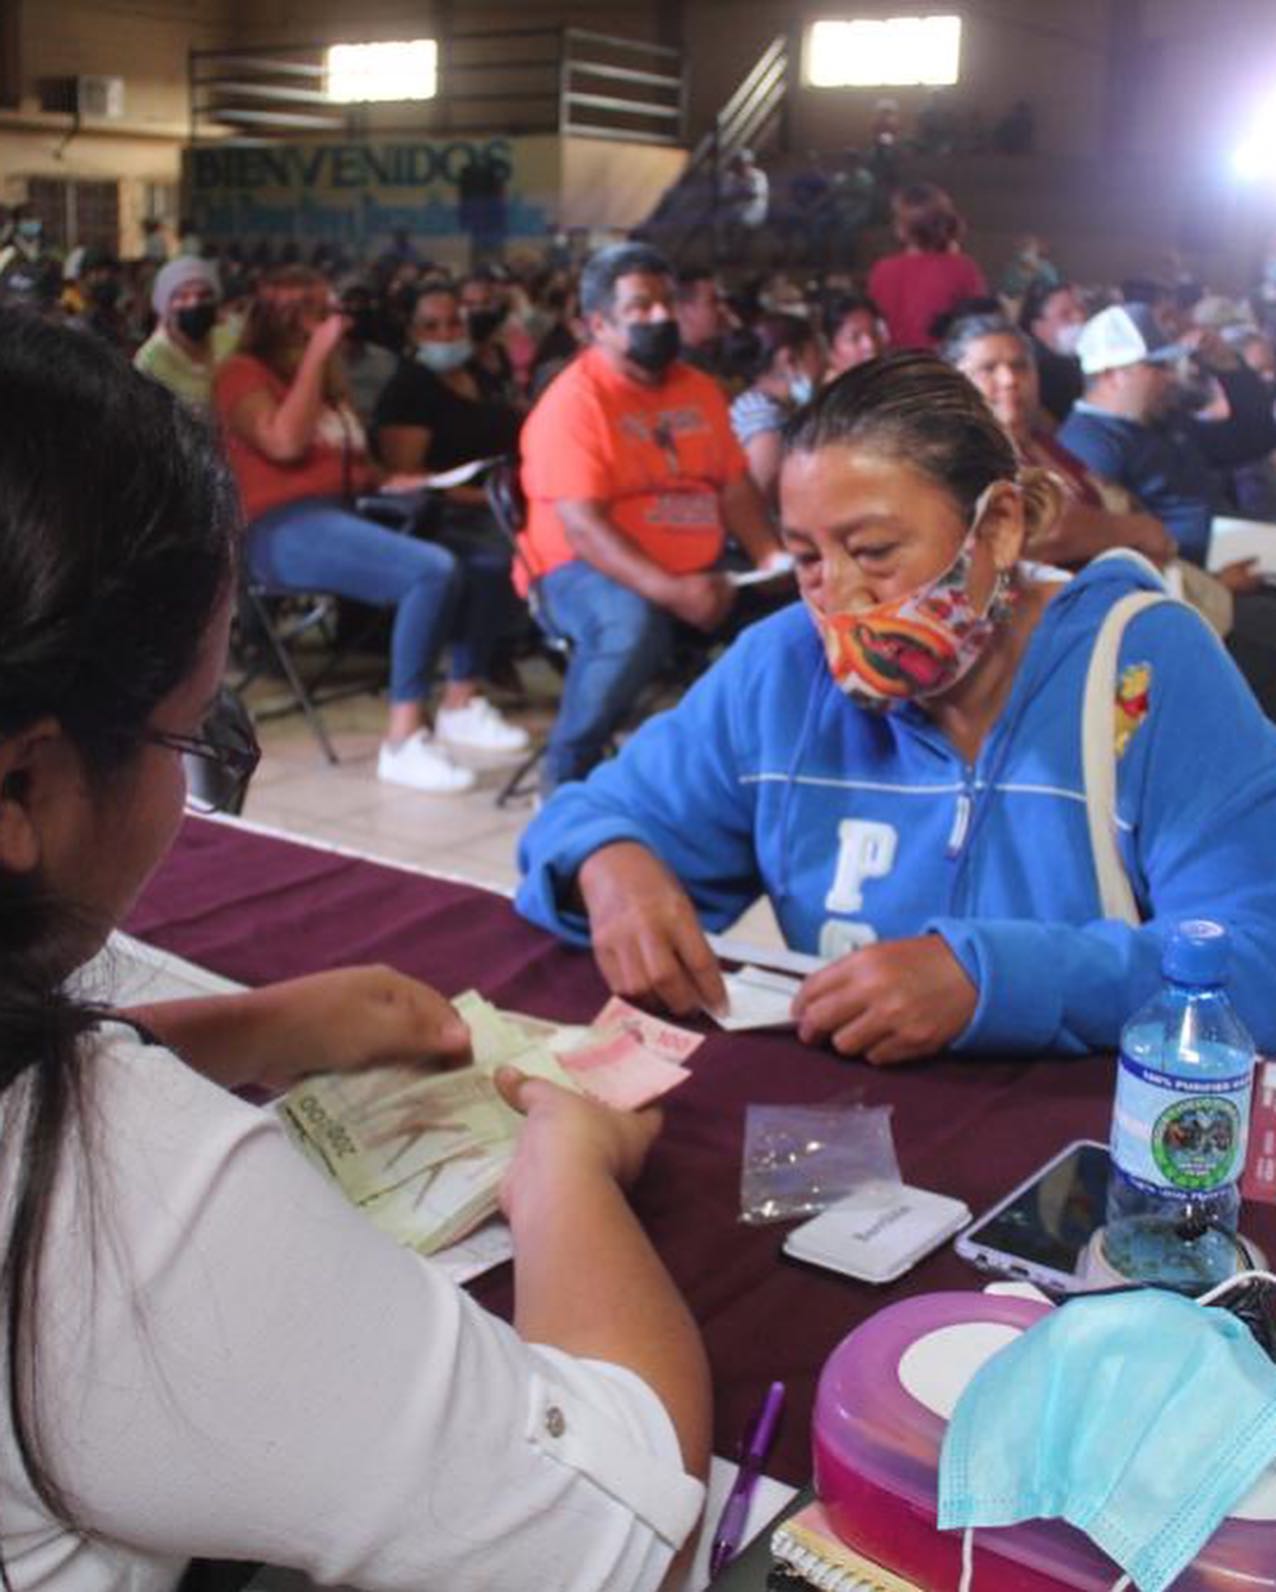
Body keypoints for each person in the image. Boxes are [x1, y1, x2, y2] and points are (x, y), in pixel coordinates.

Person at [0, 305, 709, 1591]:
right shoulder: (103, 1205)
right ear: (23, 787)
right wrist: (565, 1164)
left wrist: (238, 1026)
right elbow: (622, 1531)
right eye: (188, 734)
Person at [516, 351, 1276, 1062]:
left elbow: (1256, 955)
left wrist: (991, 979)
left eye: (874, 551)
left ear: (999, 527)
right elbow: (586, 814)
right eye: (808, 556)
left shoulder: (1142, 669)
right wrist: (610, 862)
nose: (837, 596)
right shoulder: (784, 669)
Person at [518, 242, 783, 794]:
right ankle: (567, 774)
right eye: (640, 307)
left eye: (667, 303)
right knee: (632, 625)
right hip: (581, 569)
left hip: (699, 561)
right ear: (599, 324)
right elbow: (584, 528)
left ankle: (751, 768)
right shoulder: (575, 401)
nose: (661, 316)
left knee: (799, 606)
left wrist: (769, 556)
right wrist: (672, 591)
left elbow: (734, 486)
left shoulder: (698, 388)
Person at [213, 267, 480, 793]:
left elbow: (353, 462)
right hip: (277, 530)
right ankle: (404, 737)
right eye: (318, 315)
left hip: (343, 514)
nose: (333, 323)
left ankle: (461, 700)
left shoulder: (327, 385)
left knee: (480, 560)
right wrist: (317, 357)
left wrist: (393, 480)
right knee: (431, 573)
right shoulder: (241, 374)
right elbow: (284, 444)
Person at [373, 282, 529, 752]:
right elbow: (409, 474)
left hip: (498, 500)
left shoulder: (480, 375)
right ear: (414, 332)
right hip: (440, 510)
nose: (446, 334)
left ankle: (481, 679)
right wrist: (487, 502)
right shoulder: (410, 387)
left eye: (454, 323)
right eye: (432, 326)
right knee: (493, 557)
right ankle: (461, 694)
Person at [940, 313, 1175, 570]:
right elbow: (1040, 533)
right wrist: (1138, 530)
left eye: (1020, 366)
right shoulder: (960, 456)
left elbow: (1107, 502)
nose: (1009, 380)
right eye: (988, 368)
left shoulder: (1044, 443)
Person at [867, 183, 987, 350]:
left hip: (893, 366)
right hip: (942, 367)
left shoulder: (882, 270)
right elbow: (981, 327)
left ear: (901, 228)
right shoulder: (963, 268)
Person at [727, 312, 825, 506]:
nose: (824, 361)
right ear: (789, 360)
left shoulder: (759, 407)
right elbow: (753, 507)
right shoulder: (765, 427)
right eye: (817, 351)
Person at [134, 256, 223, 411]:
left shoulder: (230, 342)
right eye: (183, 296)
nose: (194, 303)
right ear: (165, 307)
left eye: (204, 296)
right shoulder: (150, 360)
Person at [1018, 279, 1086, 426]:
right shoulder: (1042, 371)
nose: (1079, 319)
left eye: (1080, 310)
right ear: (1037, 327)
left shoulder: (1080, 360)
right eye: (1065, 315)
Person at [674, 269, 731, 383]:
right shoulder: (675, 370)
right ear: (684, 309)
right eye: (713, 301)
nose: (722, 309)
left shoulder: (710, 357)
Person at [822, 292, 889, 382]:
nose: (870, 345)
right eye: (854, 338)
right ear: (830, 351)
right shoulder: (831, 393)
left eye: (874, 333)